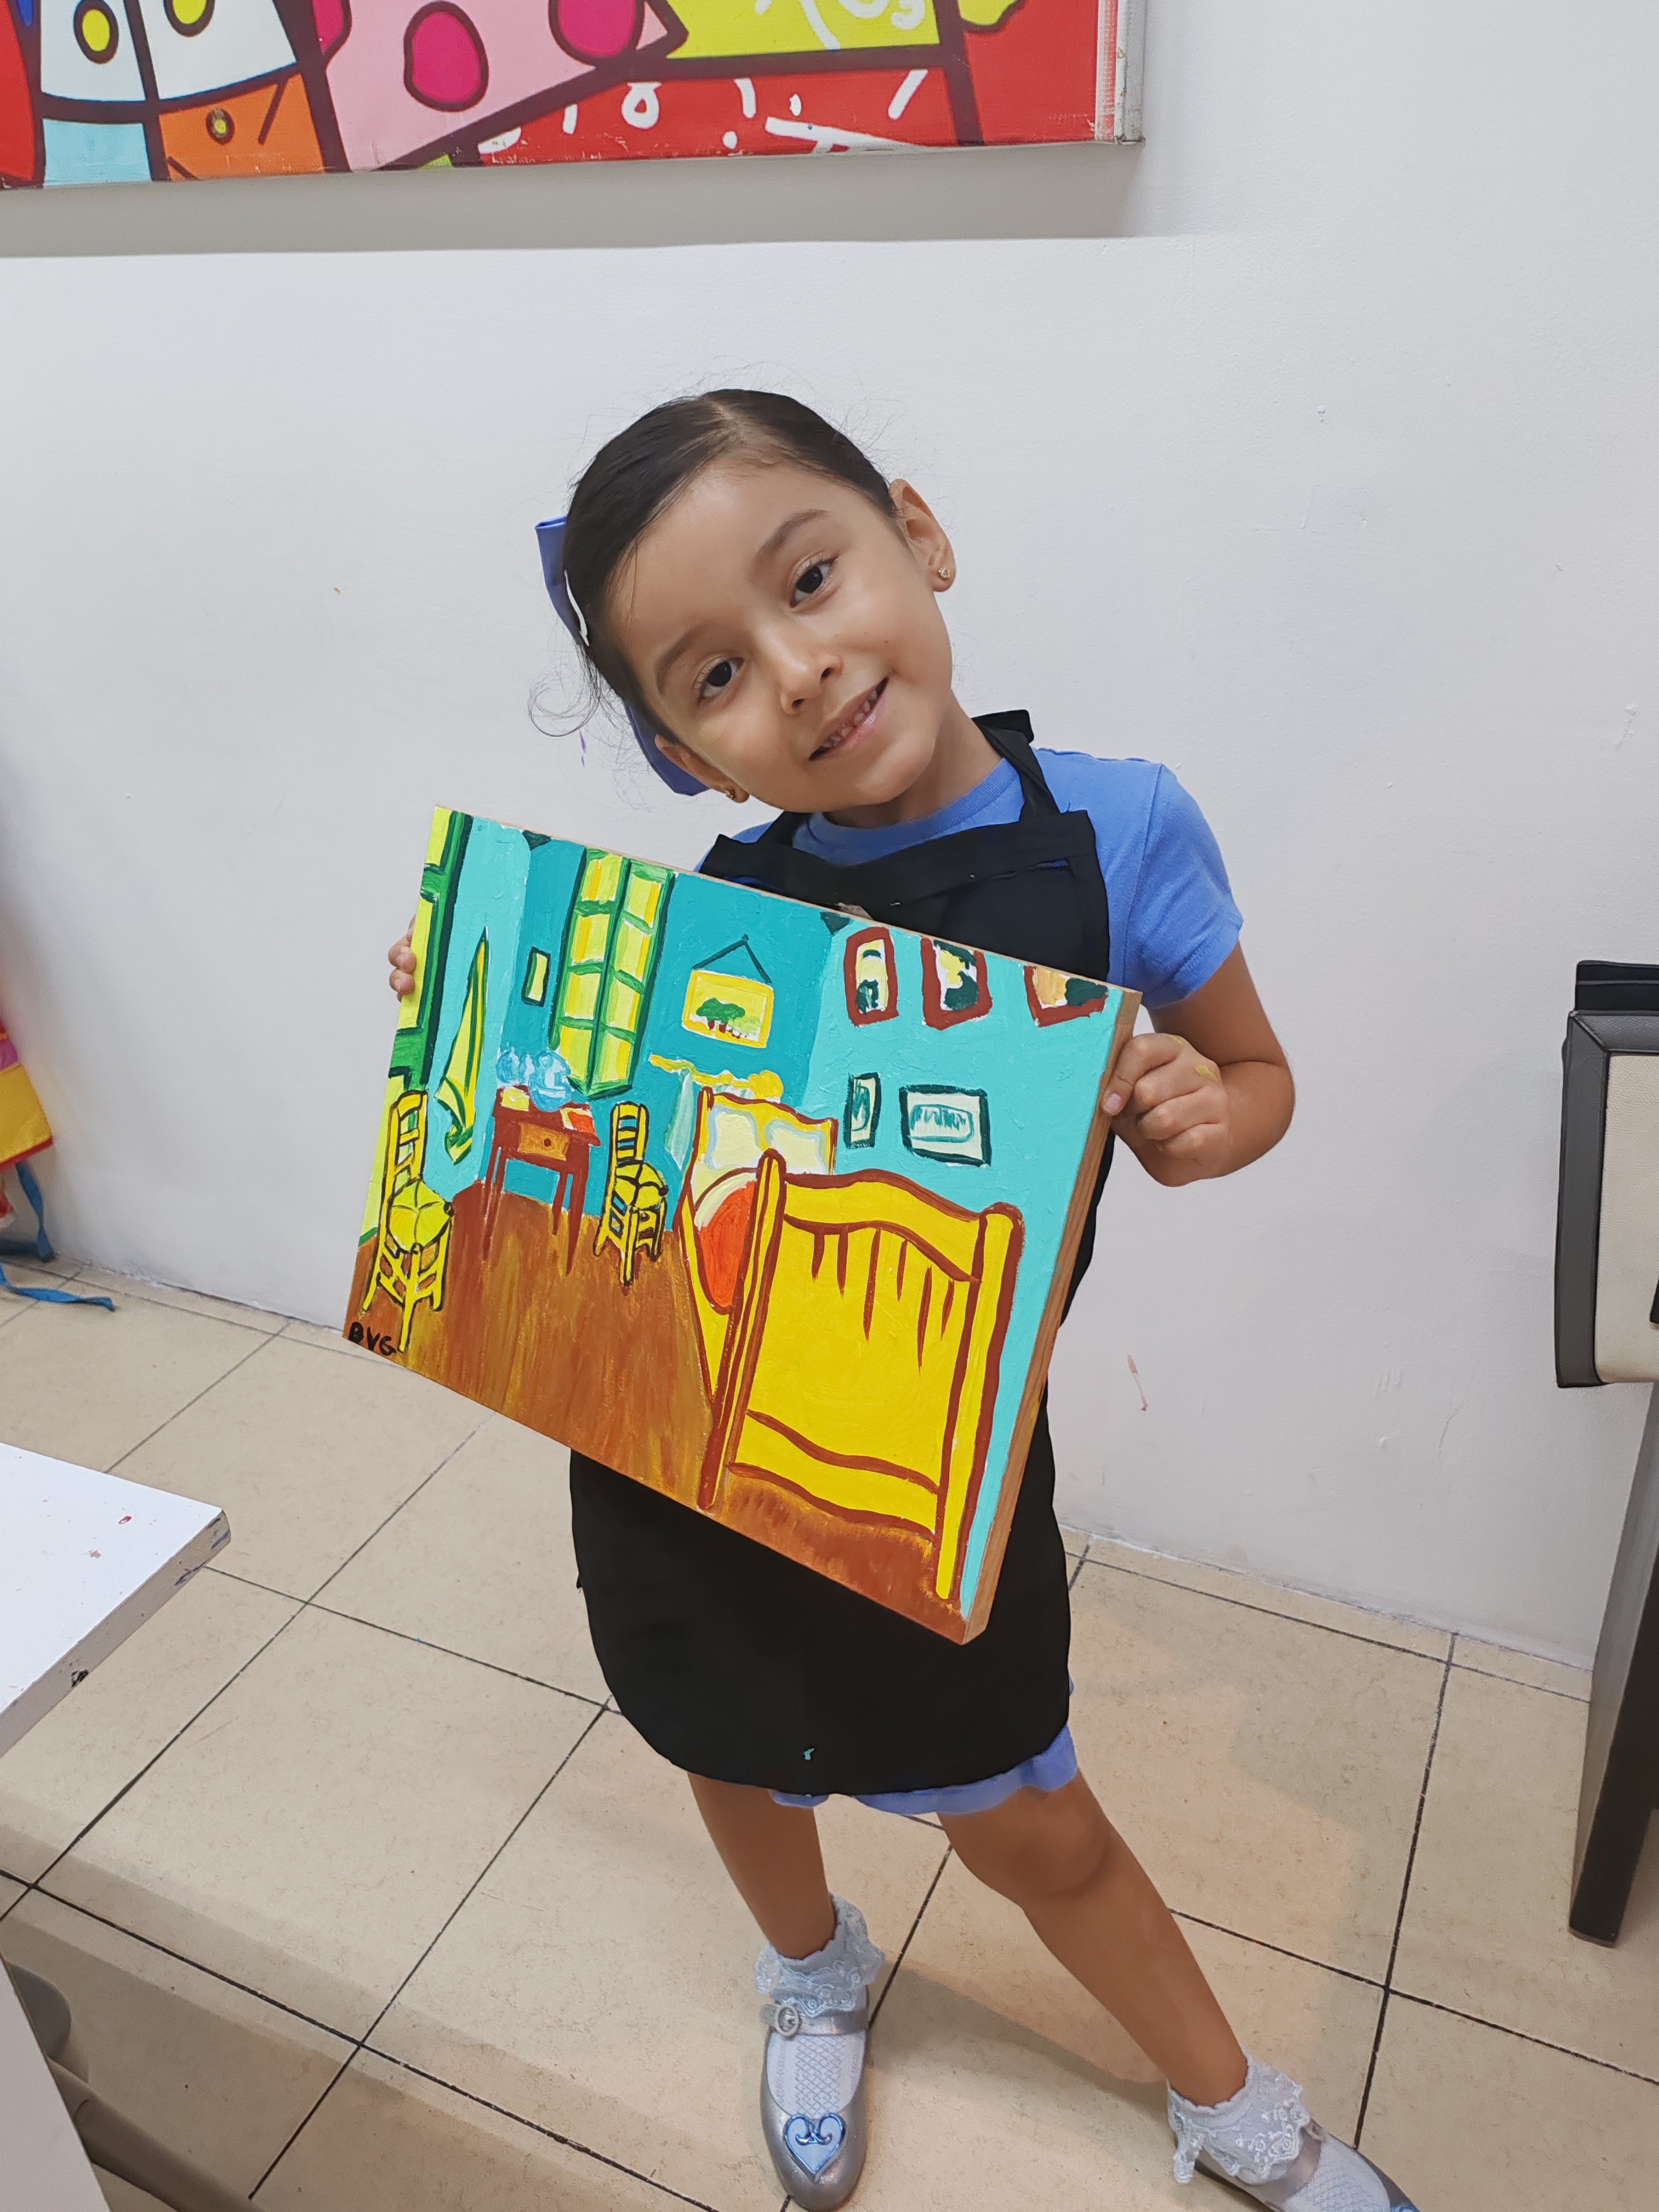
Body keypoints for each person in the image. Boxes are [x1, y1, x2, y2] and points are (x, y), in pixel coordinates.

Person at [389, 390, 1420, 2212]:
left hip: (934, 1475)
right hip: (688, 1475)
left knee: (1029, 1817)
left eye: (811, 579)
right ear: (690, 761)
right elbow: (608, 1181)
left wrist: (1206, 1114)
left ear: (917, 535)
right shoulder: (727, 907)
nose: (796, 671)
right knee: (724, 1750)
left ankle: (1228, 2102)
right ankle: (814, 1969)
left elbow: (1257, 1077)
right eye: (715, 679)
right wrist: (483, 996)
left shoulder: (1120, 830)